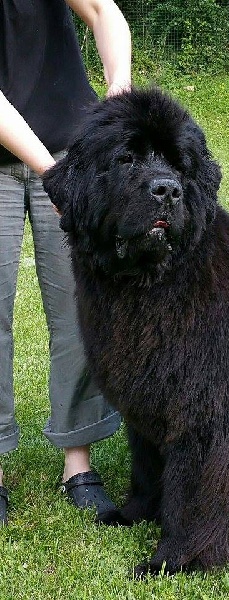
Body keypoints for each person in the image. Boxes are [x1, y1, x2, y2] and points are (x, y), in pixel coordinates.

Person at [0, 0, 132, 525]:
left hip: (68, 151)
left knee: (80, 309)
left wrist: (119, 90)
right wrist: (50, 173)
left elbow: (103, 12)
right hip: (36, 163)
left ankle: (78, 463)